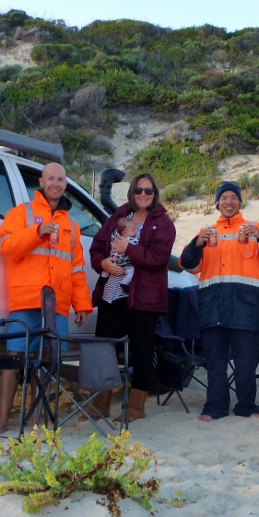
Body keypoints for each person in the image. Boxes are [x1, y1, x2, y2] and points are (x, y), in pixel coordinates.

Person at [0, 162, 93, 434]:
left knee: (49, 360)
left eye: (61, 179)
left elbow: (77, 270)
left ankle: (39, 416)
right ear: (41, 181)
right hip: (25, 300)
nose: (56, 184)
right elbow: (4, 247)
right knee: (14, 357)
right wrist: (36, 233)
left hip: (57, 304)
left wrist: (82, 304)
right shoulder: (21, 213)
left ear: (65, 184)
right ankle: (2, 420)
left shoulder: (71, 225)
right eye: (51, 178)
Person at [179, 181, 259, 421]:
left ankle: (247, 406)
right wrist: (197, 244)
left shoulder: (255, 228)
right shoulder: (206, 231)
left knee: (246, 362)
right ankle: (214, 407)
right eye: (224, 197)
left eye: (233, 197)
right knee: (215, 362)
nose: (229, 201)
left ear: (240, 202)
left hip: (248, 308)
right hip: (213, 308)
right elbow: (188, 265)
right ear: (217, 203)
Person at [89, 173, 175, 422]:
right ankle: (101, 404)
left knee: (142, 351)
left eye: (148, 191)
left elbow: (158, 259)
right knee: (104, 347)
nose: (143, 195)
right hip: (110, 294)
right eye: (139, 190)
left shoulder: (163, 222)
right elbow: (96, 247)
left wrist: (130, 249)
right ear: (131, 192)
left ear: (155, 193)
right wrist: (102, 262)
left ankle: (136, 408)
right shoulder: (119, 216)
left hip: (144, 297)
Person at [100, 216, 136, 292]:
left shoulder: (115, 235)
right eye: (133, 230)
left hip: (113, 259)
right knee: (131, 271)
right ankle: (124, 283)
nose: (136, 231)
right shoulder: (129, 239)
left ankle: (104, 276)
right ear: (124, 233)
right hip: (123, 262)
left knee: (108, 267)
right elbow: (137, 246)